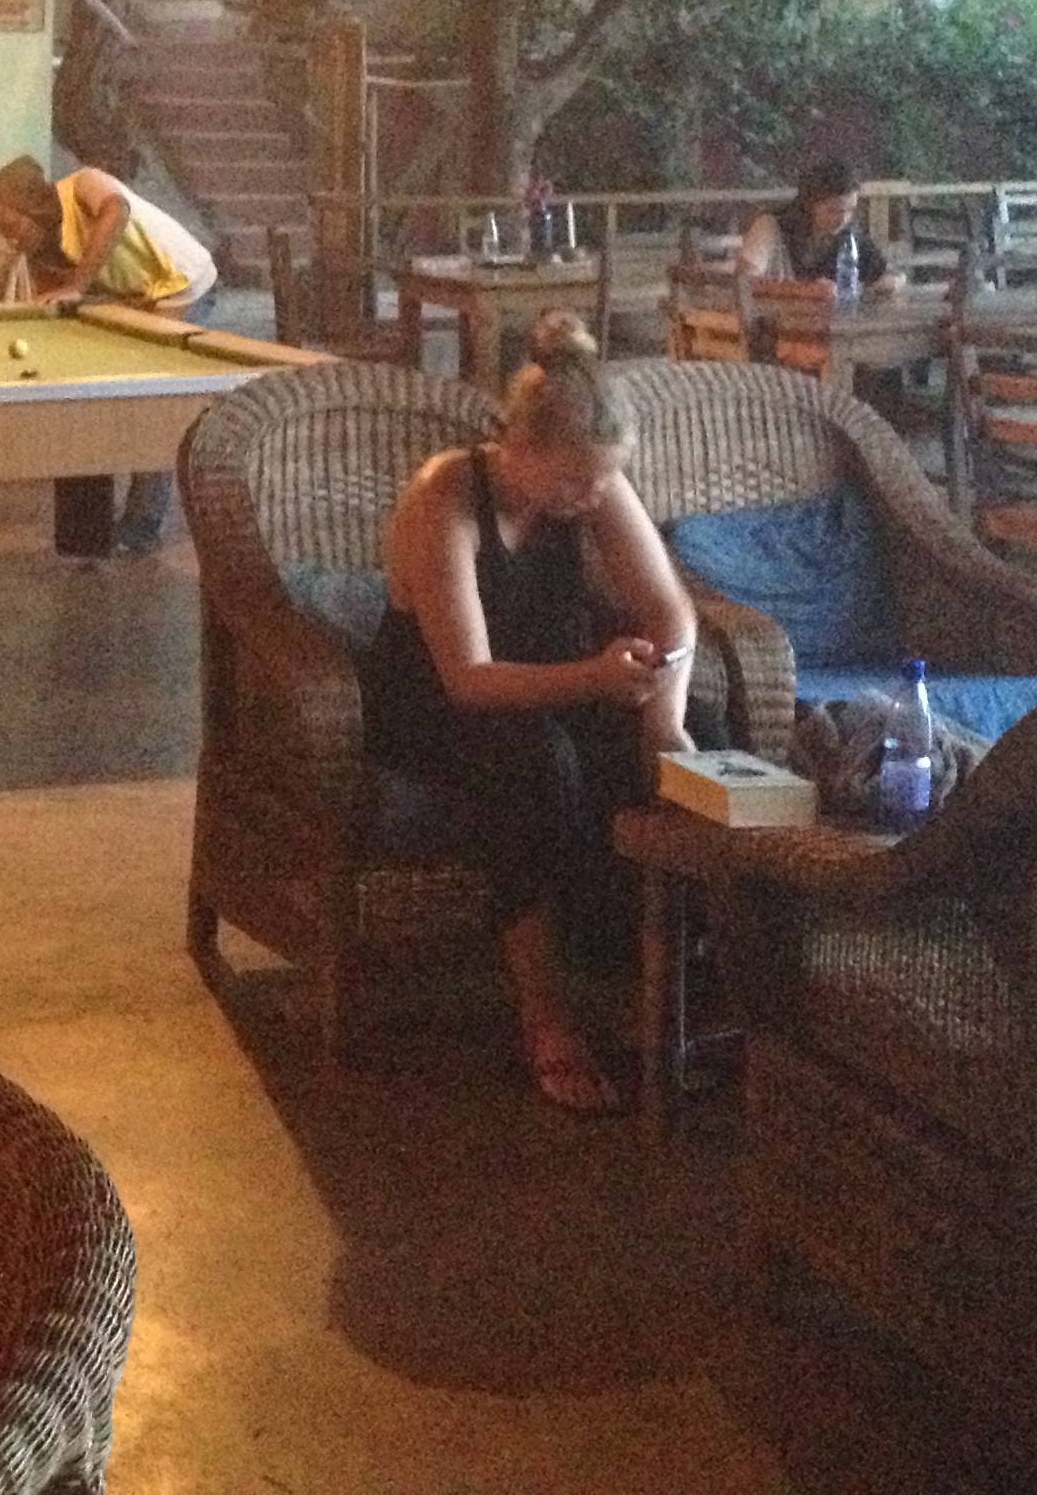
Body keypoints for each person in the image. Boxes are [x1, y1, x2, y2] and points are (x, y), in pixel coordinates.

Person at [361, 315, 705, 1114]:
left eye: (603, 482)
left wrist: (665, 716)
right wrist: (595, 676)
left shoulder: (593, 479)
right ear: (516, 447)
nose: (590, 499)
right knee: (533, 763)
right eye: (575, 484)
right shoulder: (446, 495)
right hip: (436, 703)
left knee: (701, 745)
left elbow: (671, 612)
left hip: (558, 684)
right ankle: (546, 1017)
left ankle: (658, 984)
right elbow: (469, 679)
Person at [0, 155, 216, 553]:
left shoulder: (85, 184)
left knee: (149, 400)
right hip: (133, 295)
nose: (12, 241)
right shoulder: (43, 252)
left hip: (181, 282)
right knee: (92, 389)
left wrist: (78, 284)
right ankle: (89, 527)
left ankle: (141, 527)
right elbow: (57, 310)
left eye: (13, 228)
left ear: (33, 208)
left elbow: (116, 211)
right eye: (5, 235)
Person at [739, 159, 865, 284]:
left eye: (850, 210)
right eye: (832, 210)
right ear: (810, 204)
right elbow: (745, 280)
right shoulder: (769, 226)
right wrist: (809, 290)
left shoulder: (849, 237)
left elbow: (875, 277)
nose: (843, 220)